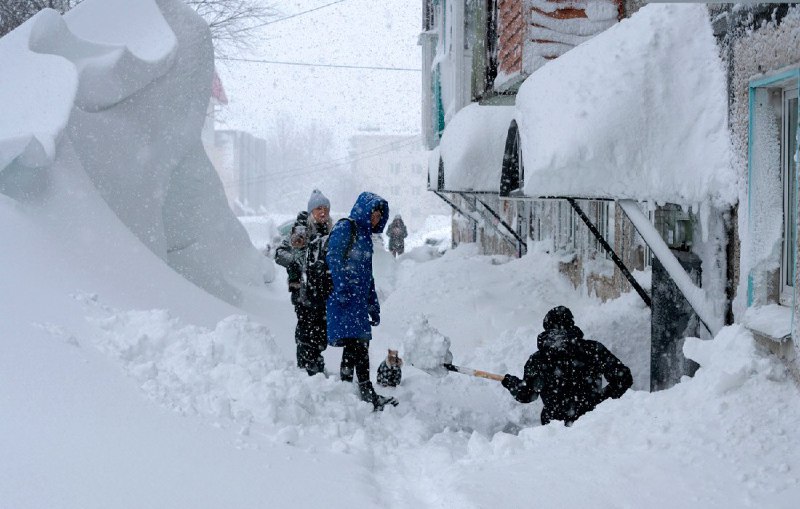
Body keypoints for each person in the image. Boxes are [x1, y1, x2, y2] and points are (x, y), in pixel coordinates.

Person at [501, 306, 632, 426]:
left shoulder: (537, 359)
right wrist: (602, 401)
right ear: (571, 324)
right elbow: (623, 378)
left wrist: (511, 383)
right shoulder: (592, 349)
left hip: (555, 429)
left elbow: (527, 394)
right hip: (593, 423)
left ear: (547, 327)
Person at [327, 191, 397, 410]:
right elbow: (334, 259)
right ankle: (364, 392)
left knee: (357, 344)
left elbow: (368, 275)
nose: (375, 218)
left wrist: (372, 303)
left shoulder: (366, 238)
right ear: (364, 210)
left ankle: (351, 391)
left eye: (379, 215)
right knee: (357, 344)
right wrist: (341, 289)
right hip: (344, 300)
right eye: (373, 213)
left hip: (357, 301)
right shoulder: (345, 228)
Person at [274, 189, 332, 376]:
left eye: (326, 208)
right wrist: (298, 263)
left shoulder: (330, 231)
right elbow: (280, 253)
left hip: (322, 292)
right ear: (311, 212)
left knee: (321, 331)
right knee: (307, 329)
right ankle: (306, 368)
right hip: (303, 292)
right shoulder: (301, 229)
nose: (323, 212)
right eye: (318, 209)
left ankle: (315, 364)